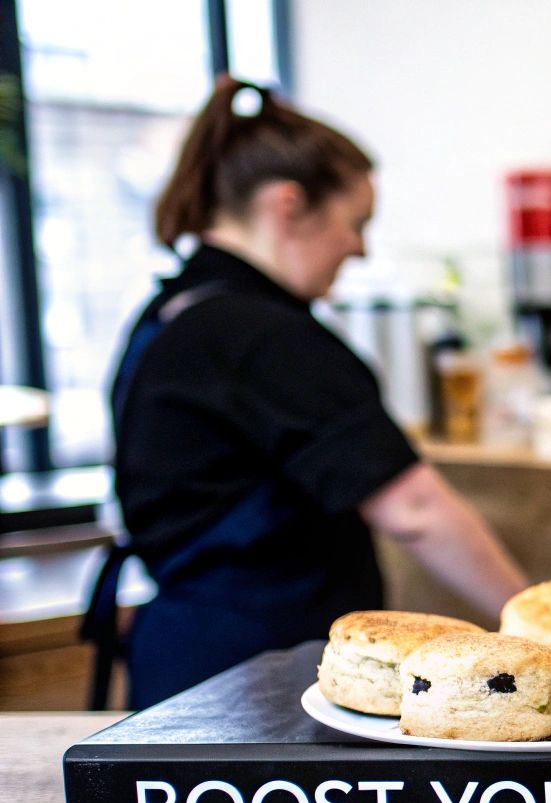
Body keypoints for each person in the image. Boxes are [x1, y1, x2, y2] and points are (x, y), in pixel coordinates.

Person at [86, 76, 528, 710]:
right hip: (255, 677)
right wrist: (534, 631)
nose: (359, 245)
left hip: (188, 661)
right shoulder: (262, 335)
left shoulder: (169, 313)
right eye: (356, 221)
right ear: (287, 205)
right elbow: (416, 511)